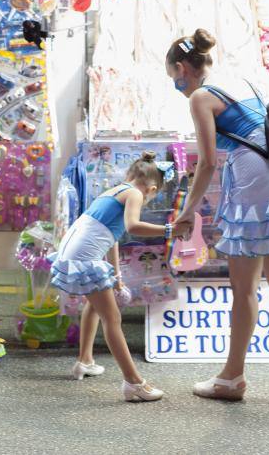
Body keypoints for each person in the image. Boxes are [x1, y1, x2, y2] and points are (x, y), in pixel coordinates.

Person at [166, 29, 269, 403]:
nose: (178, 86)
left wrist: (188, 211)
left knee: (245, 287)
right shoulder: (245, 77)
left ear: (184, 68)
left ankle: (232, 378)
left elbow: (205, 164)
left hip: (254, 186)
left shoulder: (202, 97)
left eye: (174, 79)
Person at [49, 151, 175, 402]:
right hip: (83, 256)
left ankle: (85, 361)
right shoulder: (136, 194)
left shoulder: (116, 190)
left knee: (94, 305)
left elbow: (111, 238)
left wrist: (117, 278)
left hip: (73, 250)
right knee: (112, 317)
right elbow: (132, 227)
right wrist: (169, 229)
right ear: (151, 188)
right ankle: (134, 383)